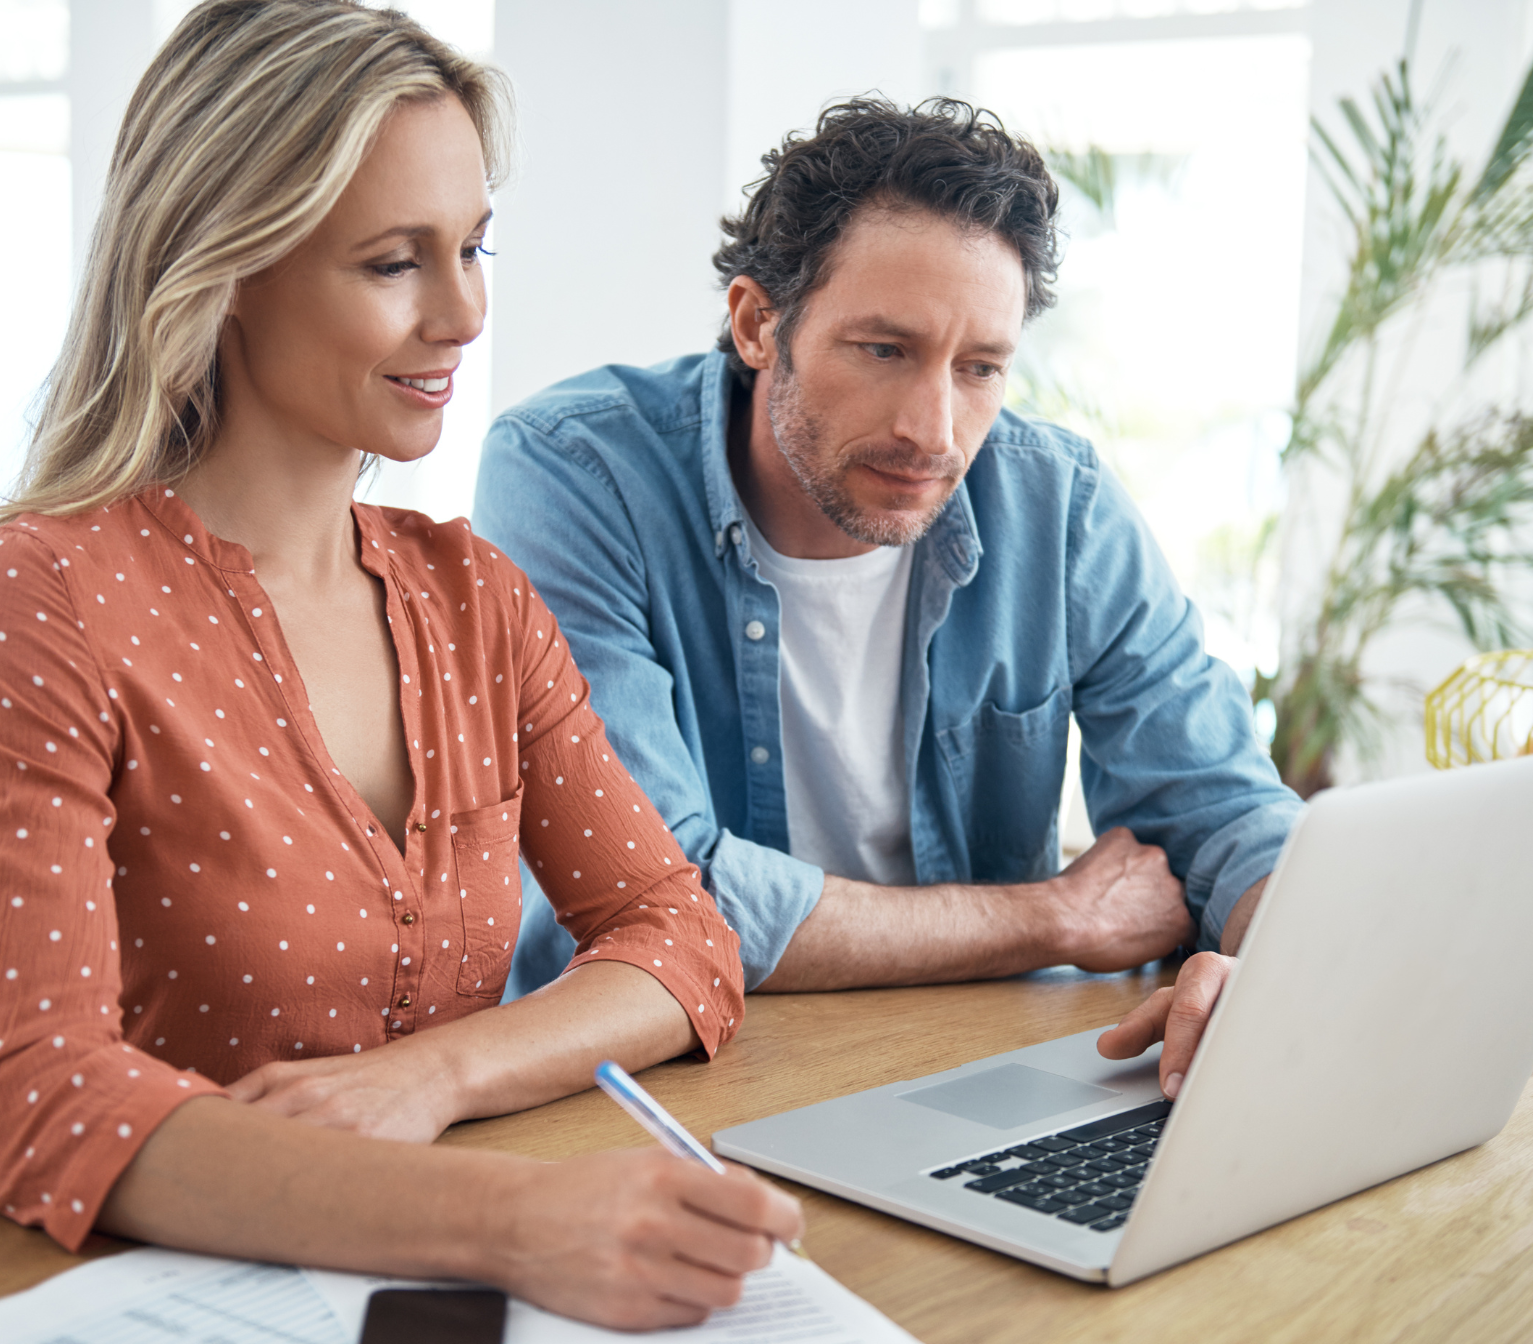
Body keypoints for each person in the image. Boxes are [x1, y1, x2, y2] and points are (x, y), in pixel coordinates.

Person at [0, 1, 798, 1329]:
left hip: (377, 1288)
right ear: (220, 266)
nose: (462, 311)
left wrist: (432, 1078)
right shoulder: (45, 592)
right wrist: (509, 1225)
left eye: (472, 247)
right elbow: (34, 1099)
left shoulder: (471, 599)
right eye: (394, 262)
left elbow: (678, 941)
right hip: (98, 1293)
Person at [475, 98, 1304, 1098]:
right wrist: (1053, 920)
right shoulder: (574, 473)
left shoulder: (1058, 502)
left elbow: (1219, 810)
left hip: (959, 1066)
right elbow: (657, 895)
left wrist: (1273, 964)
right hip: (658, 1074)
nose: (934, 430)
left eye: (979, 369)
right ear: (756, 323)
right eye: (883, 350)